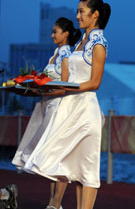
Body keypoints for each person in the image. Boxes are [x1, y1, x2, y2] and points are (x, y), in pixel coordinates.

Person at [24, 0, 110, 209]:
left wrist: (68, 88)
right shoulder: (82, 41)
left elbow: (95, 82)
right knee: (72, 168)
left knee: (87, 172)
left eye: (82, 11)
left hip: (85, 109)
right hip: (70, 107)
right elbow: (68, 78)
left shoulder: (98, 43)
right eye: (78, 11)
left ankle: (55, 205)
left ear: (95, 14)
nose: (78, 16)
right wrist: (44, 89)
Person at [12, 17, 81, 209]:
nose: (52, 35)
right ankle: (53, 203)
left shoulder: (66, 53)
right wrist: (33, 88)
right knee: (50, 157)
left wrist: (42, 90)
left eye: (55, 31)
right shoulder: (56, 53)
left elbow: (65, 86)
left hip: (59, 108)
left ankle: (55, 203)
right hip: (48, 106)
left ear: (65, 34)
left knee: (57, 157)